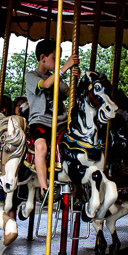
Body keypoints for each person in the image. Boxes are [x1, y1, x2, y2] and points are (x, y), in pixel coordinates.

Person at [25, 38, 80, 194]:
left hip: (60, 122)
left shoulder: (56, 78)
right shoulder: (31, 76)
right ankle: (45, 188)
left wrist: (75, 80)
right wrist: (66, 67)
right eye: (55, 59)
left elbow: (68, 92)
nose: (58, 62)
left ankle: (78, 185)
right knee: (41, 147)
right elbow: (45, 84)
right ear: (43, 58)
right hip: (40, 122)